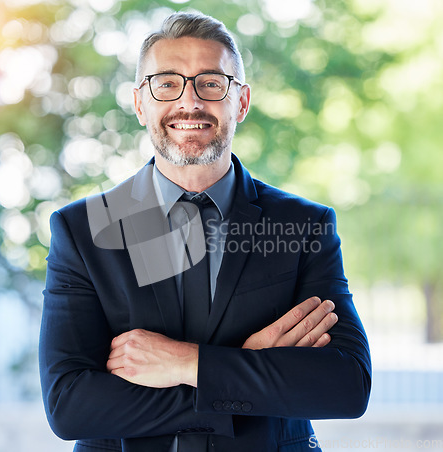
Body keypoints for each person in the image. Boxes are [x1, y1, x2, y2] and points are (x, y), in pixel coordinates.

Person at [39, 11, 371, 452]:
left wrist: (187, 363)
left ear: (242, 101)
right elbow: (70, 407)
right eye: (167, 83)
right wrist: (248, 368)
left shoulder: (303, 226)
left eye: (211, 83)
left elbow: (346, 384)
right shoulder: (82, 230)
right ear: (140, 103)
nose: (189, 102)